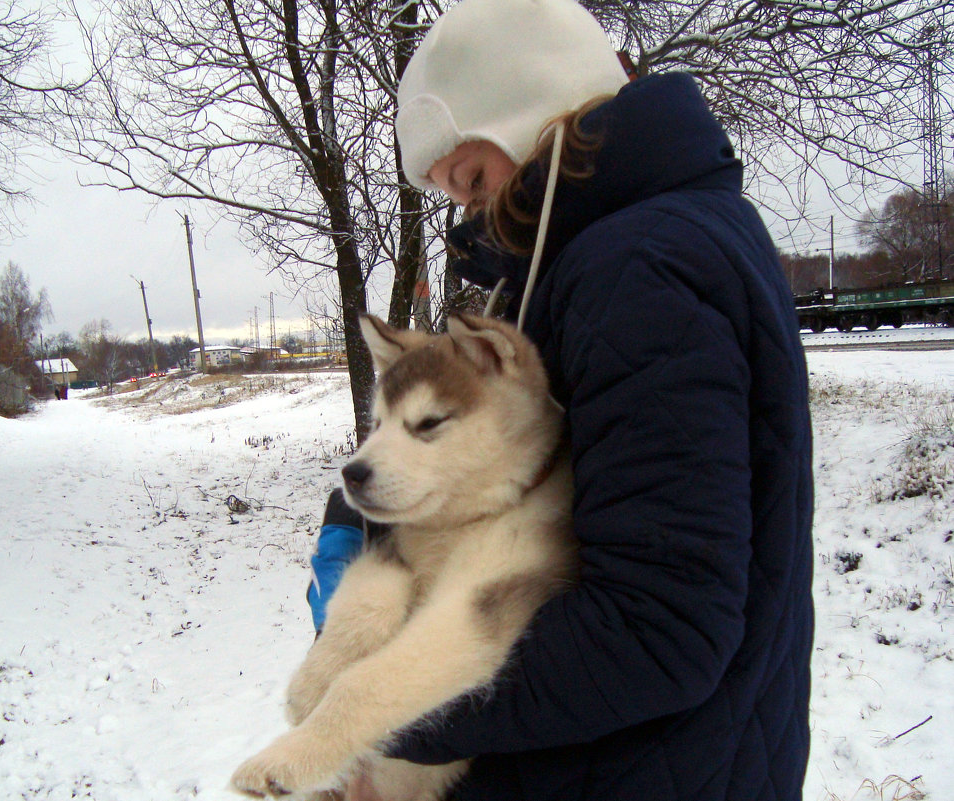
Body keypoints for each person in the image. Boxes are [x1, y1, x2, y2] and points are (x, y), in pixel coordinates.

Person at [309, 0, 814, 799]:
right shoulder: (601, 256)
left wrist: (378, 710)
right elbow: (509, 468)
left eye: (471, 178)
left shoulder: (637, 270)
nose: (468, 213)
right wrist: (369, 512)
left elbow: (658, 631)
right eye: (451, 195)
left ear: (533, 113)